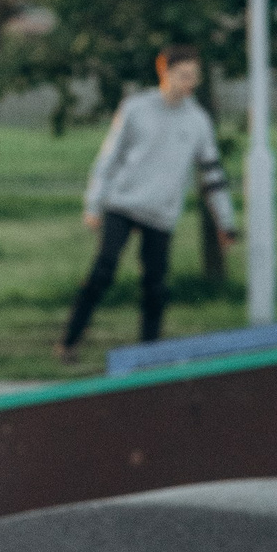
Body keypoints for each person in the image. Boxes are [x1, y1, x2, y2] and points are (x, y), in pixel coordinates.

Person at [56, 45, 235, 364]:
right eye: (184, 76)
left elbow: (212, 174)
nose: (190, 83)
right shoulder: (136, 108)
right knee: (103, 272)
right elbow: (109, 158)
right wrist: (94, 204)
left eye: (195, 76)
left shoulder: (198, 121)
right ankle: (69, 342)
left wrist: (226, 221)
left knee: (155, 287)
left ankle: (148, 356)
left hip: (161, 213)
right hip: (123, 204)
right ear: (164, 73)